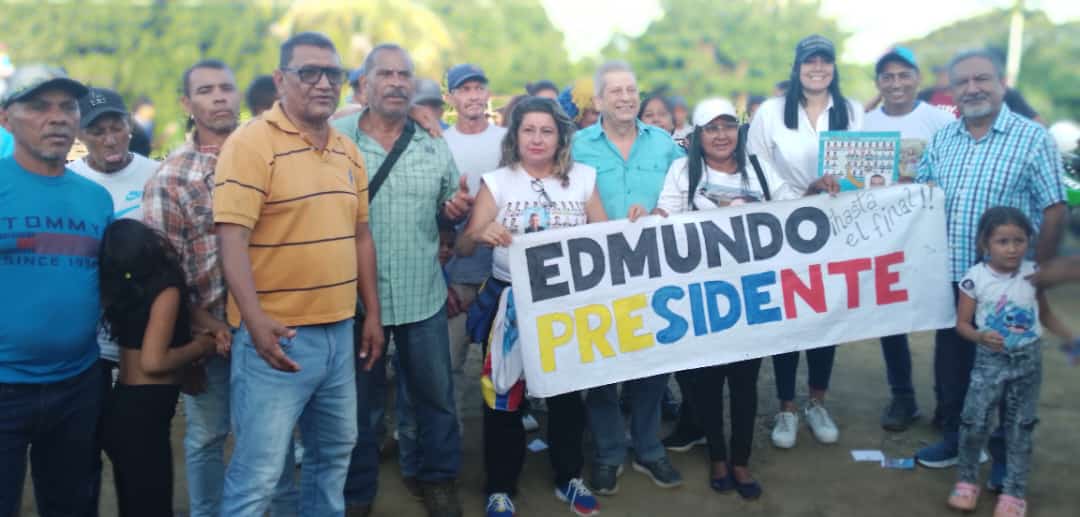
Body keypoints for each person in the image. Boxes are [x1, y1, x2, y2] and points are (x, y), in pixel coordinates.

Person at [213, 31, 383, 516]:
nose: (323, 83)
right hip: (277, 337)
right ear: (280, 79)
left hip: (338, 333)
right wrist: (254, 320)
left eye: (333, 74)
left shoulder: (348, 152)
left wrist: (371, 313)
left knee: (332, 459)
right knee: (259, 476)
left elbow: (361, 237)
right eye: (309, 72)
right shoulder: (250, 143)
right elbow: (232, 239)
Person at [142, 58, 297, 517]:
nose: (219, 97)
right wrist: (201, 324)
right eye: (206, 90)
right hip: (208, 334)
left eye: (226, 87)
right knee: (207, 434)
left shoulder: (273, 156)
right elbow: (161, 273)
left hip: (272, 325)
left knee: (274, 435)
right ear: (187, 104)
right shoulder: (170, 177)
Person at [914, 50, 1066, 485]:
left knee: (1009, 376)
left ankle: (1001, 459)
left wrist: (1038, 273)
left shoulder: (1032, 138)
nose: (972, 88)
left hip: (1008, 284)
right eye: (962, 82)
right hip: (953, 280)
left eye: (982, 79)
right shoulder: (944, 139)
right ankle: (955, 441)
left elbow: (1054, 209)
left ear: (1002, 84)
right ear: (953, 91)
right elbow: (922, 194)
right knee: (953, 366)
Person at [333, 43, 472, 517]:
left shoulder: (434, 141)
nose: (395, 82)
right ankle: (357, 493)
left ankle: (437, 480)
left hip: (422, 296)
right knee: (358, 406)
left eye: (404, 75)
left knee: (435, 400)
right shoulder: (336, 137)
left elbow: (449, 208)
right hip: (353, 302)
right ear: (365, 84)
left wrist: (453, 213)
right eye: (385, 74)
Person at [456, 95, 604, 517]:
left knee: (567, 396)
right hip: (510, 303)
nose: (537, 139)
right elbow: (465, 244)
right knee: (503, 396)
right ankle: (500, 485)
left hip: (567, 304)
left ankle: (568, 477)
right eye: (528, 130)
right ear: (515, 136)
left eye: (546, 131)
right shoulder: (498, 181)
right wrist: (483, 232)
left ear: (560, 137)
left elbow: (607, 237)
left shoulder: (584, 178)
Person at [0, 66, 113, 517]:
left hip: (76, 386)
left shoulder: (95, 198)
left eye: (67, 106)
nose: (59, 117)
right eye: (39, 106)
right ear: (7, 119)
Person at [571, 60, 686, 494]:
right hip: (595, 275)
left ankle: (650, 448)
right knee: (601, 366)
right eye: (615, 91)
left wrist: (660, 213)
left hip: (655, 274)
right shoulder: (577, 146)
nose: (625, 97)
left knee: (653, 366)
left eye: (631, 89)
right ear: (598, 100)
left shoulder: (665, 146)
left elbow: (686, 195)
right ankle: (607, 452)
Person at [747, 34, 863, 449]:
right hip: (783, 226)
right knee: (788, 316)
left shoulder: (851, 111)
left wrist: (838, 186)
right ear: (796, 67)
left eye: (825, 61)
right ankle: (786, 408)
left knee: (824, 318)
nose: (818, 68)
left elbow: (860, 168)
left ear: (834, 67)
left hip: (835, 228)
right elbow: (756, 162)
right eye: (809, 61)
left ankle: (816, 401)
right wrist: (799, 197)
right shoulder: (773, 112)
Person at [945, 207, 1073, 517]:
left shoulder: (1033, 276)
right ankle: (966, 481)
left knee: (1020, 427)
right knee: (975, 423)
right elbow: (962, 324)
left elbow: (1045, 315)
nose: (1012, 248)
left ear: (1029, 242)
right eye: (1003, 241)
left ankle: (1014, 492)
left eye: (1019, 240)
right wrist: (979, 337)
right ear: (984, 244)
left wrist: (1072, 340)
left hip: (1028, 363)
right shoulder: (975, 278)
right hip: (989, 362)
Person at [97, 219, 223, 517]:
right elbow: (154, 362)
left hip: (121, 408)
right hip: (145, 415)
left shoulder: (126, 287)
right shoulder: (166, 286)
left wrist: (216, 328)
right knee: (153, 506)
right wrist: (201, 347)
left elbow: (184, 313)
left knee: (134, 505)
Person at [862, 46, 955, 432]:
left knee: (945, 317)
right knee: (890, 316)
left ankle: (947, 402)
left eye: (903, 75)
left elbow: (953, 173)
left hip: (934, 234)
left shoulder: (939, 121)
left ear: (917, 78)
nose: (896, 83)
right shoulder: (863, 124)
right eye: (887, 76)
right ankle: (903, 397)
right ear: (878, 83)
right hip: (883, 237)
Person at [442, 62, 508, 436]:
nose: (472, 96)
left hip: (502, 269)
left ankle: (503, 436)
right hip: (457, 272)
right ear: (451, 98)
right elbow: (431, 213)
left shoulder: (507, 140)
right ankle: (451, 444)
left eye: (478, 88)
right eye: (463, 90)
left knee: (502, 362)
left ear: (487, 94)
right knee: (449, 363)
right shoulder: (442, 144)